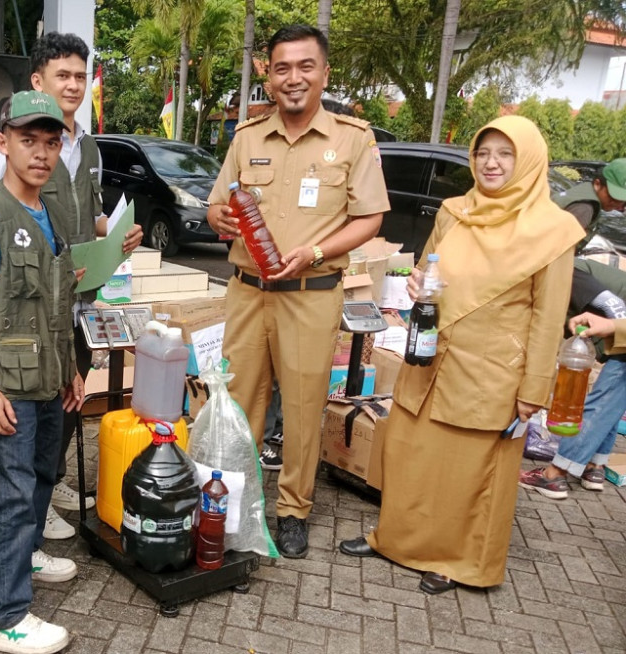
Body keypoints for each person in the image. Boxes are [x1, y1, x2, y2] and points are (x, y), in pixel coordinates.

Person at [338, 115, 585, 595]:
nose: (491, 163)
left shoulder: (554, 232)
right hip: (430, 355)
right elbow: (427, 269)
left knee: (468, 472)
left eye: (505, 154)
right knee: (411, 453)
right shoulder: (455, 211)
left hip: (491, 371)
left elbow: (547, 316)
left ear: (529, 161)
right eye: (483, 153)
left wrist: (533, 390)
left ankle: (461, 562)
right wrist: (414, 287)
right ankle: (395, 540)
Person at [205, 24, 390, 558]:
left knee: (305, 408)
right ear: (269, 74)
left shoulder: (352, 139)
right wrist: (219, 216)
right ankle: (231, 506)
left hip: (311, 293)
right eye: (282, 67)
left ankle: (292, 510)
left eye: (305, 66)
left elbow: (370, 217)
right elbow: (218, 206)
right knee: (238, 403)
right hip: (246, 291)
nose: (294, 78)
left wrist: (313, 253)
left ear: (324, 72)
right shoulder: (246, 138)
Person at [0, 32, 143, 540]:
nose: (74, 85)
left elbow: (92, 215)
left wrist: (117, 234)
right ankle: (31, 505)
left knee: (71, 398)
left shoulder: (90, 146)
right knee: (35, 406)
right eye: (63, 75)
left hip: (80, 299)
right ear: (38, 80)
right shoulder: (20, 143)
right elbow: (4, 214)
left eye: (81, 75)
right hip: (35, 302)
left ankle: (50, 485)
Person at [0, 90, 84, 654]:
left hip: (48, 378)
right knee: (10, 495)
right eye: (28, 140)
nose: (40, 153)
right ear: (2, 142)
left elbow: (56, 302)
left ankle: (22, 561)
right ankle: (2, 616)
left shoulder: (46, 211)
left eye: (50, 142)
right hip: (6, 384)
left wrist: (72, 369)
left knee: (37, 481)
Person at [519, 259, 626, 499]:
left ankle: (554, 475)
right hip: (612, 336)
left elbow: (617, 306)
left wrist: (614, 327)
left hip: (621, 328)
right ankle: (594, 468)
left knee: (602, 401)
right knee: (613, 400)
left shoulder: (563, 267)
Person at [554, 159, 626, 231]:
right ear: (597, 184)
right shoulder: (583, 209)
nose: (617, 204)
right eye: (612, 197)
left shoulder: (582, 191)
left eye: (622, 200)